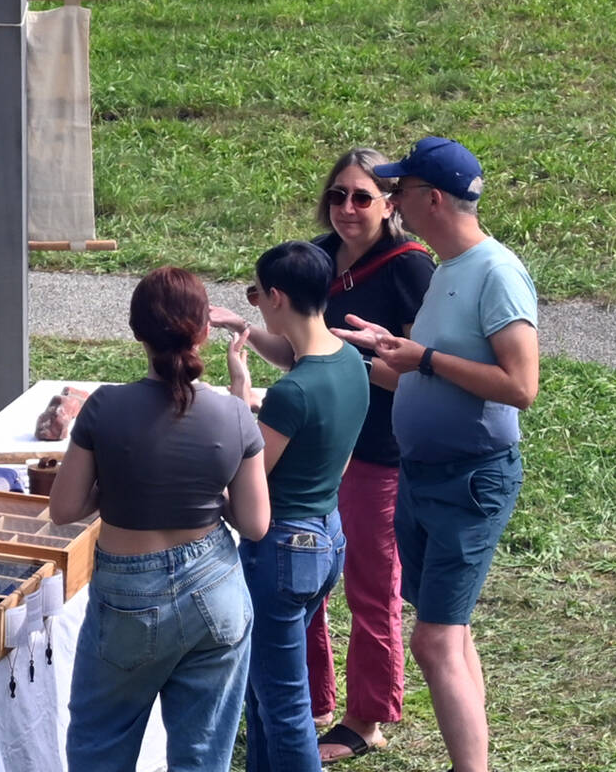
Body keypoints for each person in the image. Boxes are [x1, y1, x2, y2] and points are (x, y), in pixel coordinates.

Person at [211, 148, 435, 762]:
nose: (347, 208)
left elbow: (418, 373)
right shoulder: (317, 258)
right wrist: (244, 327)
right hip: (322, 446)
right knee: (305, 592)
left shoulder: (410, 268)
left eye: (362, 196)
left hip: (376, 449)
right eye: (337, 195)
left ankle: (367, 717)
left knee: (371, 588)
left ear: (390, 204)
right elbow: (300, 350)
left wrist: (334, 378)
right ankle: (309, 701)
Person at [333, 137, 539, 772]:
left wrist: (423, 357)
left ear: (433, 199)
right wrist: (383, 351)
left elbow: (521, 386)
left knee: (435, 640)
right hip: (425, 476)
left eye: (399, 190)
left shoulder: (496, 272)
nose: (391, 201)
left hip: (468, 480)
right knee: (450, 632)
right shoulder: (449, 269)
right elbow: (432, 372)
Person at [49, 267, 270, 772]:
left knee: (100, 748)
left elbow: (63, 509)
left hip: (128, 593)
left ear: (136, 331)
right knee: (202, 758)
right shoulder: (234, 415)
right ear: (205, 331)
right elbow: (255, 523)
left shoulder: (103, 407)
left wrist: (116, 485)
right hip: (216, 588)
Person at [224, 241, 370, 772]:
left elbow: (244, 479)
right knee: (265, 691)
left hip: (282, 551)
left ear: (278, 297)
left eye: (257, 294)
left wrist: (239, 390)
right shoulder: (351, 362)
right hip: (327, 539)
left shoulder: (293, 393)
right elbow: (339, 458)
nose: (258, 304)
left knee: (284, 707)